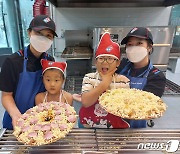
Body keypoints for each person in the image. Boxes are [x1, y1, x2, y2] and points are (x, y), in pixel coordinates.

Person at [0, 15, 58, 130]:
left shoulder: (50, 61)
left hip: (40, 123)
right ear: (29, 33)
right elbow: (6, 96)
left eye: (48, 36)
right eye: (39, 34)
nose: (43, 39)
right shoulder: (12, 62)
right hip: (15, 122)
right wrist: (16, 115)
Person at [116, 27, 166, 128]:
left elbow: (146, 106)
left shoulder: (156, 76)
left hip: (135, 126)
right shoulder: (122, 66)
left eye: (139, 43)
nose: (134, 48)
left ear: (149, 47)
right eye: (130, 44)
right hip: (113, 122)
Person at [78, 32, 130, 128]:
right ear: (95, 62)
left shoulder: (123, 81)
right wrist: (104, 84)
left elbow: (124, 109)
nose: (105, 62)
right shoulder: (89, 78)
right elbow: (86, 102)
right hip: (88, 126)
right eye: (101, 58)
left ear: (118, 63)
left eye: (110, 59)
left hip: (114, 129)